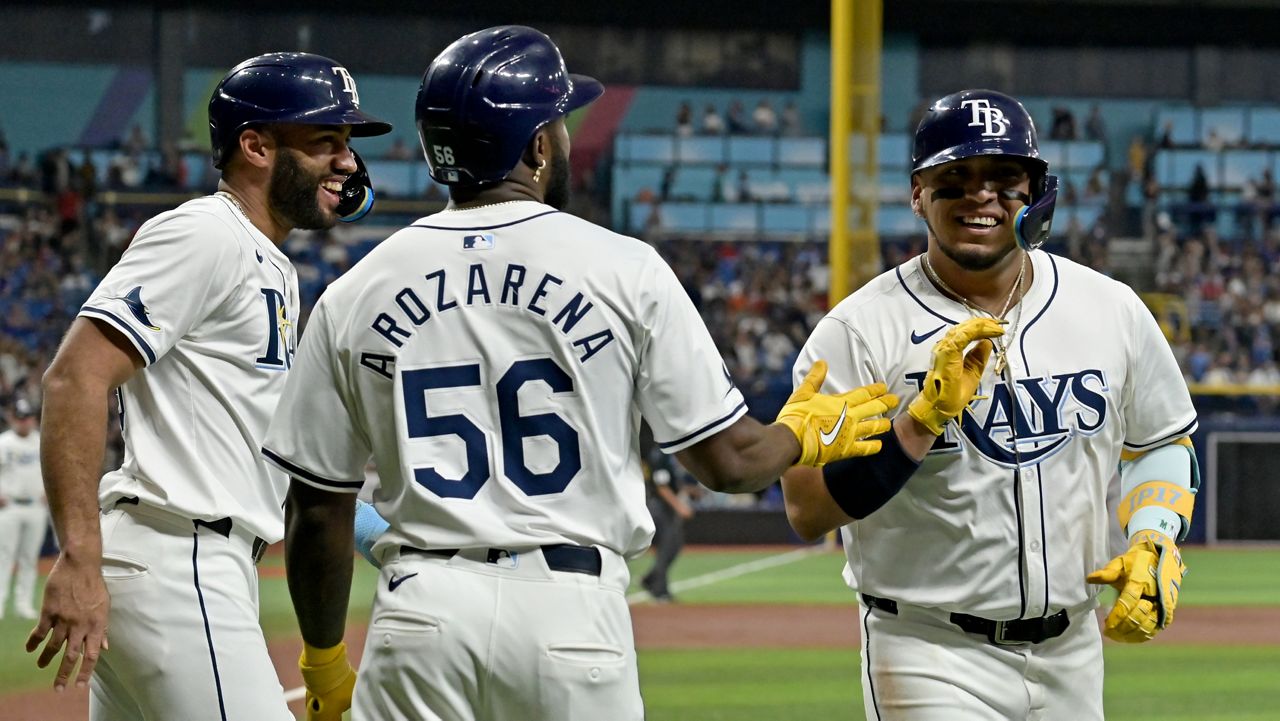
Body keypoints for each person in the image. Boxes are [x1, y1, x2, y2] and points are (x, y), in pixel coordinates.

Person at [264, 25, 898, 721]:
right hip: (568, 612)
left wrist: (323, 660)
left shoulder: (358, 289)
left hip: (422, 613)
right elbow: (729, 460)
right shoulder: (623, 267)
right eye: (559, 124)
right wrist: (799, 436)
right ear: (537, 146)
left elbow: (318, 507)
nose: (563, 139)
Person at [781, 89, 1199, 721]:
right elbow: (807, 509)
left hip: (1073, 653)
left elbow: (1161, 441)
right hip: (928, 649)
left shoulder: (1109, 308)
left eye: (1005, 177)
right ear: (917, 193)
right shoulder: (861, 330)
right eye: (955, 178)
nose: (981, 195)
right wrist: (918, 421)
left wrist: (1154, 537)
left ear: (1037, 191)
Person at [23, 52, 391, 719]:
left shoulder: (268, 262)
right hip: (178, 560)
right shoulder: (204, 234)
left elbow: (261, 451)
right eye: (324, 142)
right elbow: (75, 376)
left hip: (191, 562)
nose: (346, 162)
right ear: (254, 145)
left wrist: (377, 533)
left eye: (345, 145)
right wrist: (78, 554)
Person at [0, 398, 46, 620]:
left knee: (29, 557)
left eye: (27, 417)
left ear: (33, 419)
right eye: (20, 418)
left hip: (36, 506)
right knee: (3, 556)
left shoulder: (41, 441)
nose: (24, 422)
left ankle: (23, 604)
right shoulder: (4, 442)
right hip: (10, 506)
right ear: (13, 419)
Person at [640, 436, 694, 603]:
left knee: (674, 545)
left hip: (666, 506)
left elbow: (670, 483)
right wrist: (679, 506)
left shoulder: (669, 454)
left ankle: (650, 579)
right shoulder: (660, 455)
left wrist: (688, 490)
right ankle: (659, 591)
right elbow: (661, 487)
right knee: (667, 546)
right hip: (660, 507)